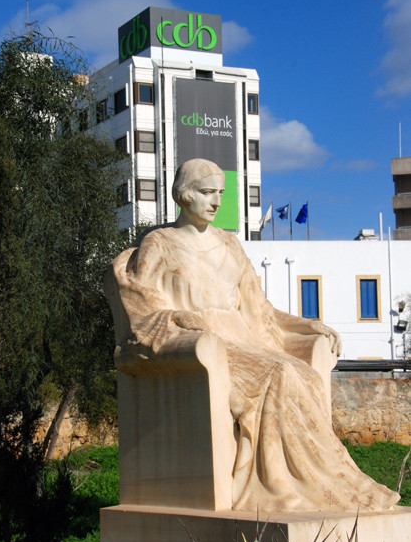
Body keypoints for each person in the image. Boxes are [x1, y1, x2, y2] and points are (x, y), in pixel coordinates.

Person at [112, 158, 399, 512]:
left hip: (244, 337)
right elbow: (143, 299)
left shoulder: (230, 244)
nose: (216, 202)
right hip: (207, 340)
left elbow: (261, 309)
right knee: (278, 374)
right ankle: (279, 483)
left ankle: (327, 485)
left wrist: (309, 325)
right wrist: (176, 316)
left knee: (304, 374)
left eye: (219, 193)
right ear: (184, 195)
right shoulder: (160, 242)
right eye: (207, 193)